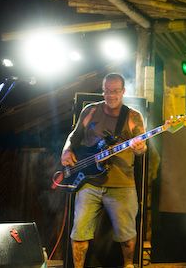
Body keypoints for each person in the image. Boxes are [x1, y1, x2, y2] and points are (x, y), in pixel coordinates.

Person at [61, 73, 147, 268]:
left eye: (115, 91)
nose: (111, 95)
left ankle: (128, 265)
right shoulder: (90, 110)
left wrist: (140, 148)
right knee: (79, 231)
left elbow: (142, 147)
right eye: (107, 91)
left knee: (126, 235)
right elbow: (74, 136)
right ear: (103, 90)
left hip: (122, 183)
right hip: (88, 181)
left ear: (123, 91)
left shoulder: (133, 116)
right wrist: (66, 150)